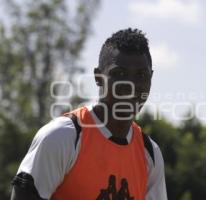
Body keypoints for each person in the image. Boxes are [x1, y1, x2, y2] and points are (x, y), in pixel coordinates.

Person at [11, 28, 168, 200]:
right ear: (98, 77)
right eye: (119, 74)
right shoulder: (62, 137)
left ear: (151, 78)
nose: (130, 85)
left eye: (141, 75)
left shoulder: (150, 153)